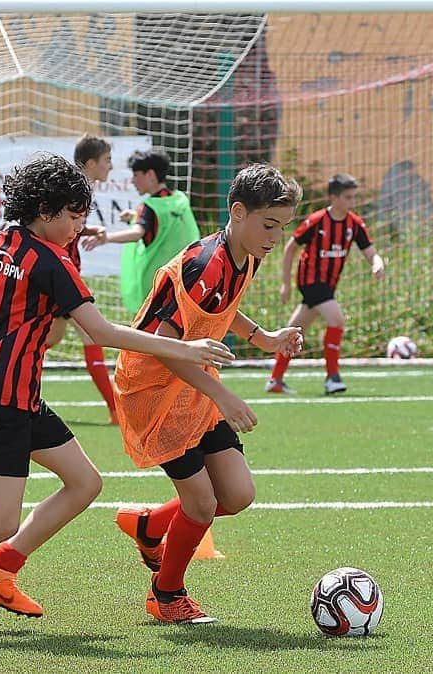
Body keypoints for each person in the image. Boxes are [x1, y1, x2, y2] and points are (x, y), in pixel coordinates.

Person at [0, 153, 235, 640]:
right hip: (0, 402)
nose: (80, 227)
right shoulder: (50, 259)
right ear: (44, 208)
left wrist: (9, 304)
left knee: (84, 482)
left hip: (19, 398)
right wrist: (183, 346)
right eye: (74, 215)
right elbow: (99, 332)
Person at [112, 163, 304, 624]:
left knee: (235, 496)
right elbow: (165, 346)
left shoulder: (247, 253)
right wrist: (223, 396)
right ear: (237, 213)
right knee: (200, 502)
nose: (276, 236)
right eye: (269, 224)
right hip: (153, 387)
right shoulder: (204, 263)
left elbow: (224, 308)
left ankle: (148, 525)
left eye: (283, 226)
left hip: (191, 382)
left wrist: (265, 338)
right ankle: (167, 594)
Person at [266, 173, 385, 396]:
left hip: (328, 286)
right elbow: (290, 248)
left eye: (353, 197)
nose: (352, 202)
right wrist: (286, 284)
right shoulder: (317, 221)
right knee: (337, 320)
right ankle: (332, 377)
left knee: (294, 332)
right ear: (333, 197)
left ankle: (275, 380)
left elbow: (370, 252)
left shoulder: (354, 224)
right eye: (348, 197)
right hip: (310, 281)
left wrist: (377, 264)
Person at [45, 134, 117, 424]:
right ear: (90, 163)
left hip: (65, 271)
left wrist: (89, 230)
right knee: (92, 332)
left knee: (53, 336)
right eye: (107, 161)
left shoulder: (79, 190)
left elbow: (67, 224)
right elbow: (54, 226)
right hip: (62, 273)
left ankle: (116, 410)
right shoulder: (76, 190)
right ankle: (116, 410)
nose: (110, 167)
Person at [83, 148, 201, 315]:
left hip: (158, 286)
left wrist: (106, 238)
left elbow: (137, 233)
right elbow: (164, 222)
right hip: (187, 279)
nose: (132, 181)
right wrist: (134, 217)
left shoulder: (149, 207)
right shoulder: (179, 199)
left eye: (136, 175)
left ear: (150, 175)